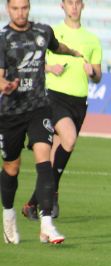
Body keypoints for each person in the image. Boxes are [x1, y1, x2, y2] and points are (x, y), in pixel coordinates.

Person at [0, 0, 82, 244]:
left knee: (44, 159)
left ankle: (47, 225)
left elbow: (58, 47)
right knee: (11, 168)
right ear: (8, 9)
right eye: (15, 8)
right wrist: (6, 86)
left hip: (38, 108)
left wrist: (74, 53)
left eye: (24, 7)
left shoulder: (43, 32)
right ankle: (8, 214)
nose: (20, 12)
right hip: (11, 112)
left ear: (29, 8)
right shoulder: (3, 39)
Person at [21, 0, 102, 221]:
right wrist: (50, 67)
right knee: (70, 138)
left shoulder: (92, 40)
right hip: (54, 98)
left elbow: (98, 75)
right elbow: (31, 62)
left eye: (77, 3)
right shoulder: (52, 33)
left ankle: (31, 204)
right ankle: (53, 193)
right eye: (69, 3)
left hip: (79, 103)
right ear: (62, 6)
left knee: (55, 160)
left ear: (82, 6)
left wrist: (92, 72)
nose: (74, 7)